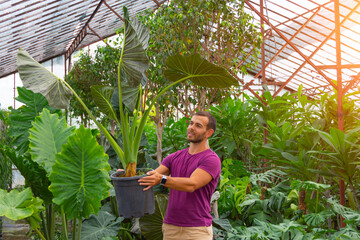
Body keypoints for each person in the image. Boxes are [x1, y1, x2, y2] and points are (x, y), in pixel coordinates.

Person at [138, 111, 221, 240]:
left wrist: (162, 179)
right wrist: (128, 174)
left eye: (198, 126)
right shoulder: (174, 157)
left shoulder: (211, 159)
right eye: (191, 123)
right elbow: (153, 176)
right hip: (171, 227)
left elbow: (192, 184)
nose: (191, 127)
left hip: (197, 230)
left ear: (209, 133)